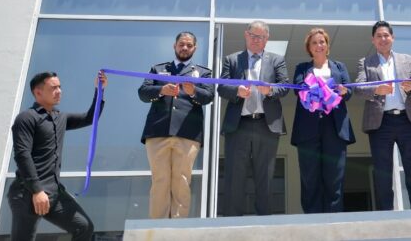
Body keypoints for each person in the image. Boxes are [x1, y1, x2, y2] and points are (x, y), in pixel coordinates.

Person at [9, 70, 107, 241]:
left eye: (59, 87)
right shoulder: (26, 118)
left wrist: (100, 90)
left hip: (54, 194)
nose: (59, 91)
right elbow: (22, 155)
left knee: (84, 227)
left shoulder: (60, 117)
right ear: (38, 92)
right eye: (53, 88)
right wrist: (37, 191)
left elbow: (90, 117)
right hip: (27, 193)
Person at [138, 31, 214, 219]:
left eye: (189, 45)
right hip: (158, 132)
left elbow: (208, 97)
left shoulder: (203, 72)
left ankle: (178, 228)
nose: (185, 48)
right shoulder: (158, 69)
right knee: (160, 181)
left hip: (187, 134)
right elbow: (143, 92)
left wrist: (193, 91)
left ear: (195, 48)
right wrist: (161, 90)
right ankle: (158, 227)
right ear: (174, 46)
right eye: (181, 44)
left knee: (181, 182)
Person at [217, 20, 290, 216]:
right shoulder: (232, 59)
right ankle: (232, 222)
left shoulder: (277, 60)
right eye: (253, 36)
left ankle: (264, 222)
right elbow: (221, 87)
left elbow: (285, 86)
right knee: (235, 176)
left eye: (261, 37)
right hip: (238, 125)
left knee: (265, 176)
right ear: (246, 35)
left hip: (266, 125)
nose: (256, 40)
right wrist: (237, 91)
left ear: (267, 39)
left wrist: (270, 90)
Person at [355, 20, 411, 210]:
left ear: (392, 37)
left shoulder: (406, 59)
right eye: (378, 36)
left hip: (407, 120)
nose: (383, 39)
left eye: (386, 35)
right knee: (383, 174)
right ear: (373, 40)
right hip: (380, 123)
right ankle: (386, 215)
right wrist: (376, 90)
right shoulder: (365, 62)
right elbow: (359, 88)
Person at [291, 28, 356, 213]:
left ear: (327, 46)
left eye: (322, 42)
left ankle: (334, 220)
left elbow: (349, 92)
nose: (318, 45)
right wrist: (314, 89)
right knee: (309, 177)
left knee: (335, 177)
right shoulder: (302, 68)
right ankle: (312, 221)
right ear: (309, 48)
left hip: (335, 126)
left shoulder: (340, 67)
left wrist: (344, 91)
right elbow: (297, 90)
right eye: (314, 42)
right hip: (308, 129)